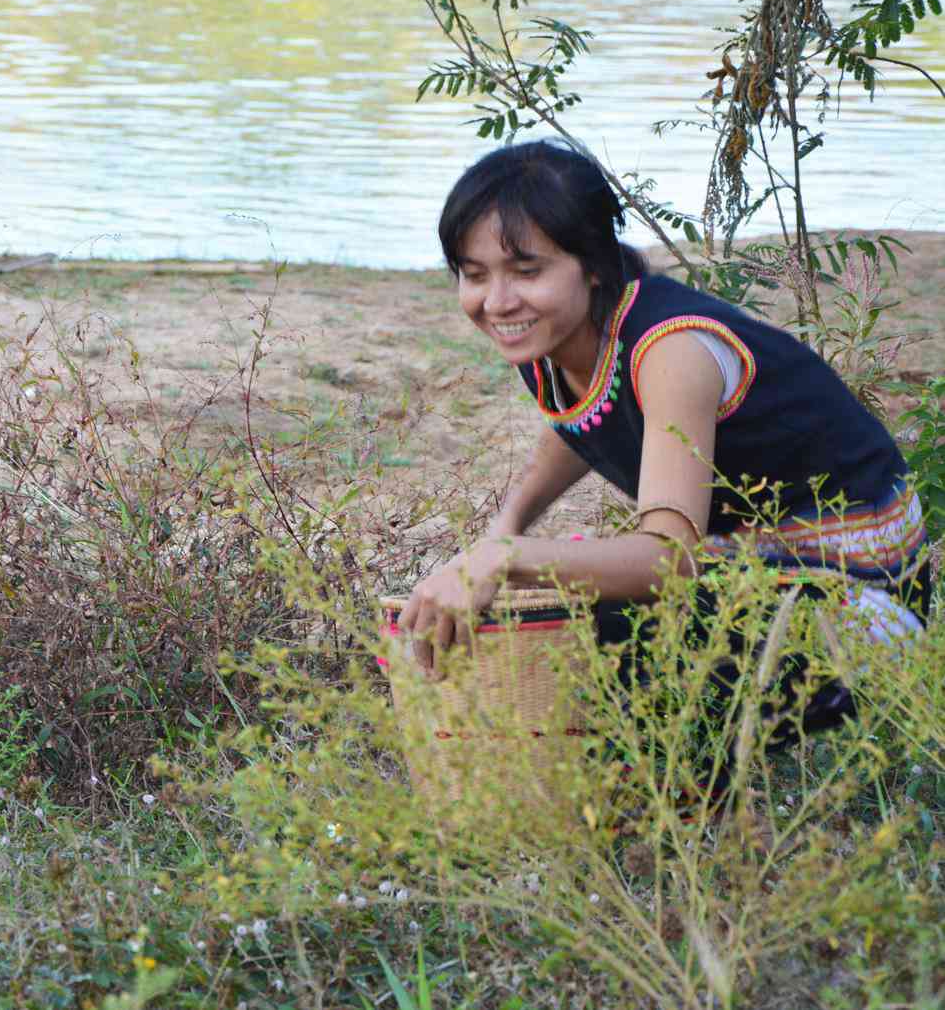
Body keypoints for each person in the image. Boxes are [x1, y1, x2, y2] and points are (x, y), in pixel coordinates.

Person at [398, 140, 929, 734]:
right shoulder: (550, 336)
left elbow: (670, 561)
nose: (497, 302)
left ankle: (691, 809)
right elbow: (584, 421)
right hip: (751, 569)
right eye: (474, 276)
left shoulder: (670, 349)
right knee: (563, 608)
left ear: (593, 263)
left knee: (614, 631)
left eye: (528, 271)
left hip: (857, 600)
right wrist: (504, 528)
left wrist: (506, 557)